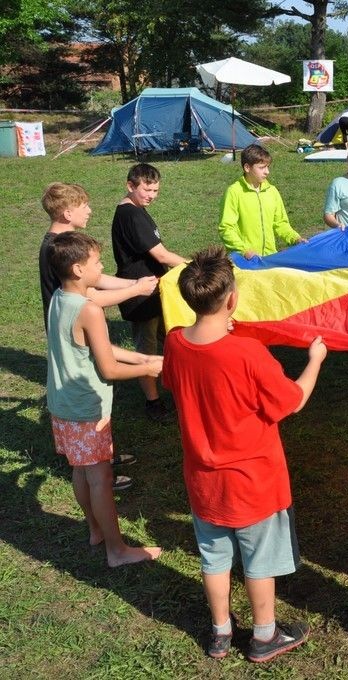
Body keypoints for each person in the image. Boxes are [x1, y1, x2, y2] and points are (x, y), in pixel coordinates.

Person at [161, 246, 327, 663]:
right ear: (232, 299)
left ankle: (220, 632)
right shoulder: (248, 353)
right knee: (258, 562)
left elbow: (175, 379)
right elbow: (292, 400)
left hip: (203, 481)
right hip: (254, 483)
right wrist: (315, 361)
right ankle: (264, 635)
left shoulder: (176, 343)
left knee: (214, 557)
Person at [45, 231, 163, 567]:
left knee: (81, 471)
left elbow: (95, 349)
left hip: (63, 404)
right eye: (97, 262)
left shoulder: (59, 298)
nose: (102, 267)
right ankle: (117, 550)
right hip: (87, 408)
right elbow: (108, 369)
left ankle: (96, 530)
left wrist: (142, 359)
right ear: (79, 270)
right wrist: (151, 370)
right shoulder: (90, 310)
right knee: (101, 478)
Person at [110, 163, 186, 424]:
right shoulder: (130, 215)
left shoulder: (138, 210)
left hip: (155, 289)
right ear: (130, 186)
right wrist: (193, 266)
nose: (152, 195)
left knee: (170, 338)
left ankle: (176, 386)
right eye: (147, 189)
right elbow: (161, 254)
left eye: (156, 190)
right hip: (140, 293)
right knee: (147, 346)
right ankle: (153, 402)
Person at [39, 182, 157, 330]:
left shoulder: (57, 242)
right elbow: (93, 297)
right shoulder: (65, 250)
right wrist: (137, 290)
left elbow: (97, 278)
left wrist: (134, 283)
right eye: (84, 207)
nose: (89, 211)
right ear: (68, 214)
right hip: (73, 330)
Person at [219, 144, 305, 260]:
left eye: (268, 167)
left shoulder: (272, 191)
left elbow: (281, 223)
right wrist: (244, 251)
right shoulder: (234, 192)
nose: (267, 172)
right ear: (247, 168)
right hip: (244, 261)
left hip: (269, 258)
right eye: (262, 167)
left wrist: (295, 238)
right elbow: (226, 228)